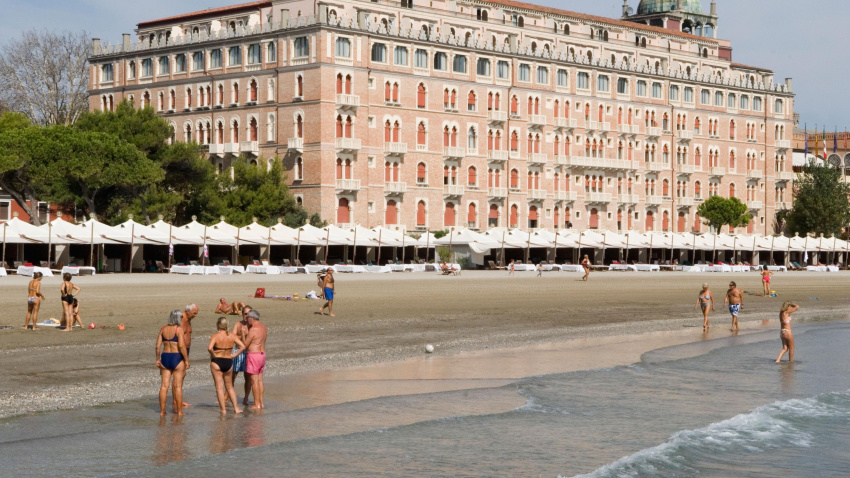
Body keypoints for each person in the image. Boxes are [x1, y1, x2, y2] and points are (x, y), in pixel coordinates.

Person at [208, 316, 246, 414]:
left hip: (217, 361)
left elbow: (210, 348)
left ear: (218, 325)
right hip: (228, 361)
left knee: (219, 387)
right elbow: (242, 346)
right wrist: (234, 355)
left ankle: (223, 410)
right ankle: (236, 408)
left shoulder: (215, 336)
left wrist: (213, 355)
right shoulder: (232, 336)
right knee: (229, 387)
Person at [155, 310, 189, 415]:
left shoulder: (163, 329)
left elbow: (157, 346)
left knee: (164, 386)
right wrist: (186, 360)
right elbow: (181, 346)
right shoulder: (179, 330)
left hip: (165, 357)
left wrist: (157, 359)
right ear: (178, 318)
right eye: (181, 317)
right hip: (176, 357)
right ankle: (179, 411)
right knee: (178, 386)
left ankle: (162, 411)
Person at [243, 309, 267, 409]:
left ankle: (256, 404)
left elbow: (245, 345)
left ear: (251, 318)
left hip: (254, 355)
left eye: (248, 317)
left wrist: (244, 334)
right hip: (262, 355)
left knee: (254, 381)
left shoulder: (253, 329)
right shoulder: (263, 327)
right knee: (260, 380)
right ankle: (261, 403)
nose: (247, 319)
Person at [231, 304, 253, 405]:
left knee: (247, 376)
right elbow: (233, 336)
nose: (247, 316)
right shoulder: (238, 324)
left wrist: (244, 337)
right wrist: (242, 337)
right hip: (237, 351)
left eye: (249, 314)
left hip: (248, 352)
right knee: (232, 375)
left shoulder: (252, 325)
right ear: (242, 314)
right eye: (245, 314)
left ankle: (246, 398)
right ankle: (227, 396)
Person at [178, 303, 199, 407]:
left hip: (186, 349)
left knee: (183, 375)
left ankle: (178, 399)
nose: (196, 315)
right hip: (180, 350)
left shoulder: (189, 319)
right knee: (179, 375)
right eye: (194, 313)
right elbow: (179, 340)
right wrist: (186, 359)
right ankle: (177, 401)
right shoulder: (182, 320)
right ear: (188, 311)